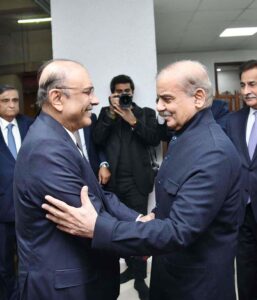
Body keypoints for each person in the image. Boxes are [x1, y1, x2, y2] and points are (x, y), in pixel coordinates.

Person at [43, 60, 242, 300]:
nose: (158, 107)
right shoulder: (186, 136)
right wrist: (151, 218)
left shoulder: (212, 152)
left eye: (167, 99)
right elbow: (179, 199)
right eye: (158, 99)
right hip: (171, 273)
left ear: (198, 97)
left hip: (195, 286)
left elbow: (178, 231)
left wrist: (98, 229)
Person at [13, 59, 141, 300]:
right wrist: (146, 237)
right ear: (57, 98)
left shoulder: (59, 136)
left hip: (82, 277)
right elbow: (89, 214)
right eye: (87, 92)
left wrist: (138, 219)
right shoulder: (47, 148)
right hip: (64, 287)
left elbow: (99, 196)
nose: (94, 100)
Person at [92, 74, 160, 299]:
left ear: (132, 92)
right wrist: (111, 115)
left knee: (138, 230)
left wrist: (133, 121)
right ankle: (127, 267)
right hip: (111, 183)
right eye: (119, 91)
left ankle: (140, 277)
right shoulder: (104, 114)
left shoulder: (146, 113)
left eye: (127, 91)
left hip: (137, 181)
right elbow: (97, 140)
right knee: (114, 229)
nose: (123, 95)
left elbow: (154, 139)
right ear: (112, 94)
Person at [225, 59, 257, 300]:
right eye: (243, 84)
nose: (246, 91)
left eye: (253, 84)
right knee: (245, 272)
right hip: (243, 210)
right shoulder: (233, 120)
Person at [0, 84, 33, 300]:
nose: (12, 105)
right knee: (3, 265)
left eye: (15, 100)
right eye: (5, 101)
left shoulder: (30, 125)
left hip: (29, 207)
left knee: (30, 260)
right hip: (1, 210)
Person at [78, 112, 111, 185]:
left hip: (95, 175)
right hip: (72, 176)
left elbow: (98, 142)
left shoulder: (91, 117)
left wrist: (103, 164)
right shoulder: (56, 121)